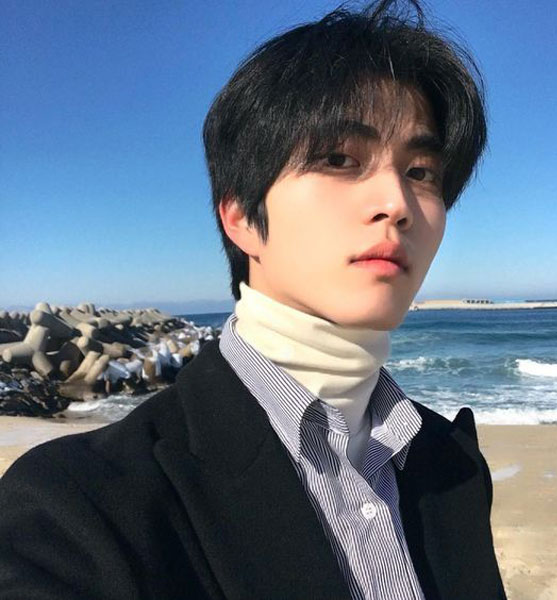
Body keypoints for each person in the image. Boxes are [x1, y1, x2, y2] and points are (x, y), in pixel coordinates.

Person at [0, 0, 506, 598]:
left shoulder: (450, 464)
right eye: (340, 159)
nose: (396, 203)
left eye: (421, 172)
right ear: (240, 215)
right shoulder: (79, 507)